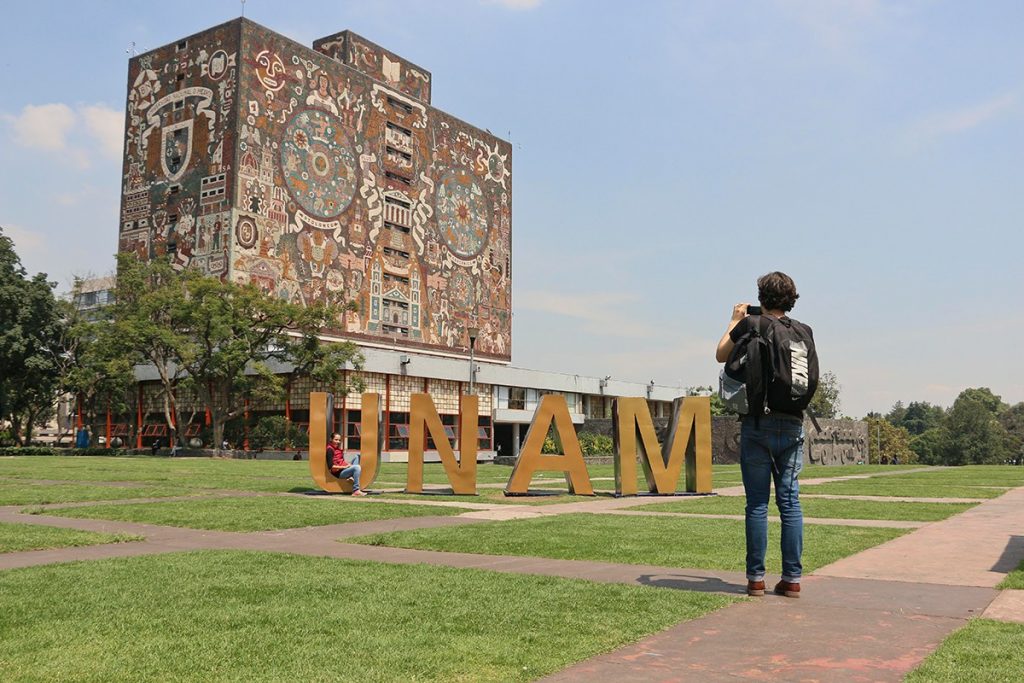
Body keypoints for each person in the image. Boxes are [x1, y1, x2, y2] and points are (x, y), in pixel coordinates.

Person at [716, 271, 810, 599]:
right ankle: (792, 579)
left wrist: (733, 320)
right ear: (791, 298)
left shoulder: (752, 325)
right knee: (789, 501)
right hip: (793, 423)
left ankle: (756, 579)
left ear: (761, 297)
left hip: (757, 424)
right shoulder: (803, 331)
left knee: (757, 504)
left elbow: (720, 353)